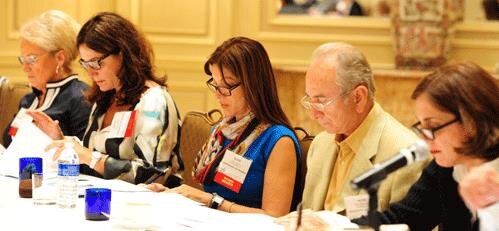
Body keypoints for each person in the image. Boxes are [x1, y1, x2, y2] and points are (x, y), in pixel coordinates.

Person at [147, 37, 301, 217]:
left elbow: (274, 217)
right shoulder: (222, 131)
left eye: (226, 86)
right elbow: (208, 196)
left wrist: (210, 200)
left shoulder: (279, 141)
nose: (218, 94)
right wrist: (173, 194)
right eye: (215, 84)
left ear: (253, 85)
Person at [29, 12, 183, 187]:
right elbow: (94, 157)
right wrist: (64, 142)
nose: (91, 72)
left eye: (96, 63)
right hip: (106, 197)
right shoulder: (106, 97)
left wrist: (89, 157)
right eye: (86, 64)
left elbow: (152, 175)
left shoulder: (154, 101)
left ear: (123, 54)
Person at [352, 61, 499, 230]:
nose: (424, 139)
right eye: (421, 126)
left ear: (470, 122)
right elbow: (402, 218)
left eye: (433, 126)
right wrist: (329, 225)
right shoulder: (446, 167)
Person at [300, 42, 428, 213]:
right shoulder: (321, 144)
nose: (313, 115)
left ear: (358, 97)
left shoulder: (405, 155)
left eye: (321, 101)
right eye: (310, 100)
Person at [2, 10, 90, 147]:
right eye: (23, 59)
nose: (25, 68)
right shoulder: (29, 100)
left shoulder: (81, 98)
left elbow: (85, 158)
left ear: (60, 58)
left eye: (32, 59)